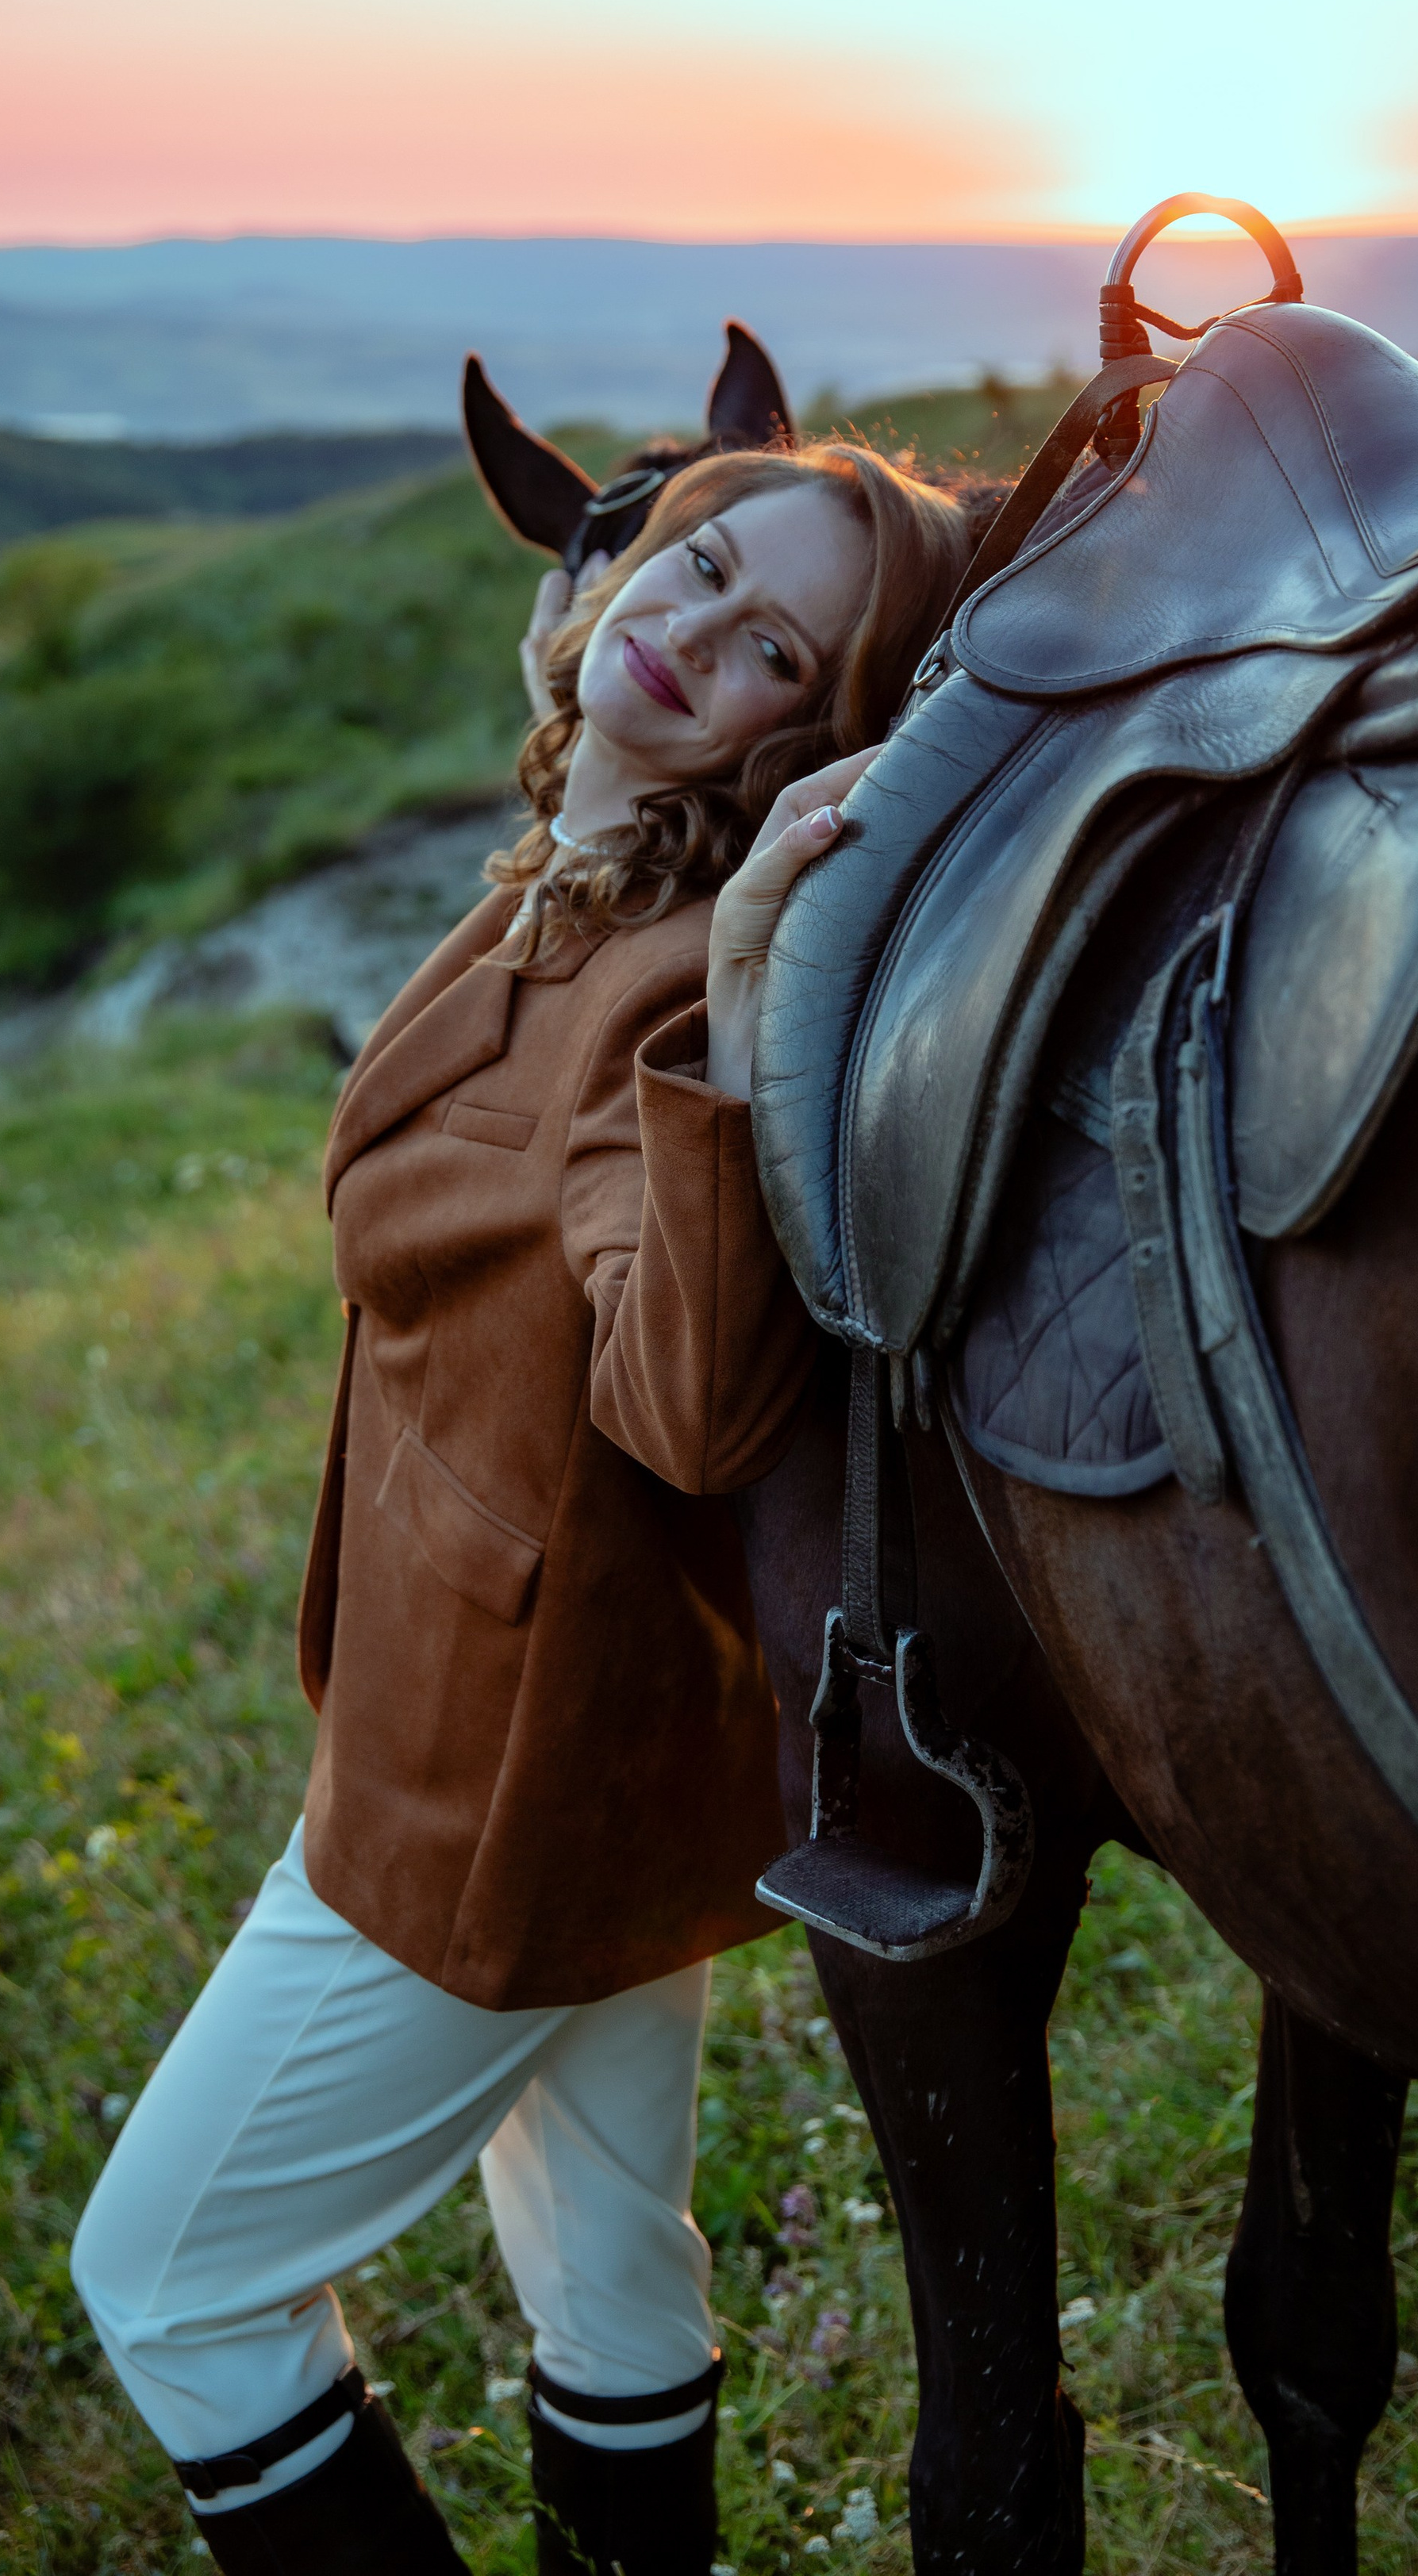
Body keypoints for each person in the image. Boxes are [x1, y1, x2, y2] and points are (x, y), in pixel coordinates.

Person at [71, 440, 976, 2575]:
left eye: (775, 647)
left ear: (808, 739)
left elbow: (687, 1398)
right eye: (703, 558)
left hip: (490, 1776)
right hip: (608, 1756)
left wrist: (746, 985)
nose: (694, 625)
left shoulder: (662, 975)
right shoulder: (560, 875)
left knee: (173, 2291)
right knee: (608, 2270)